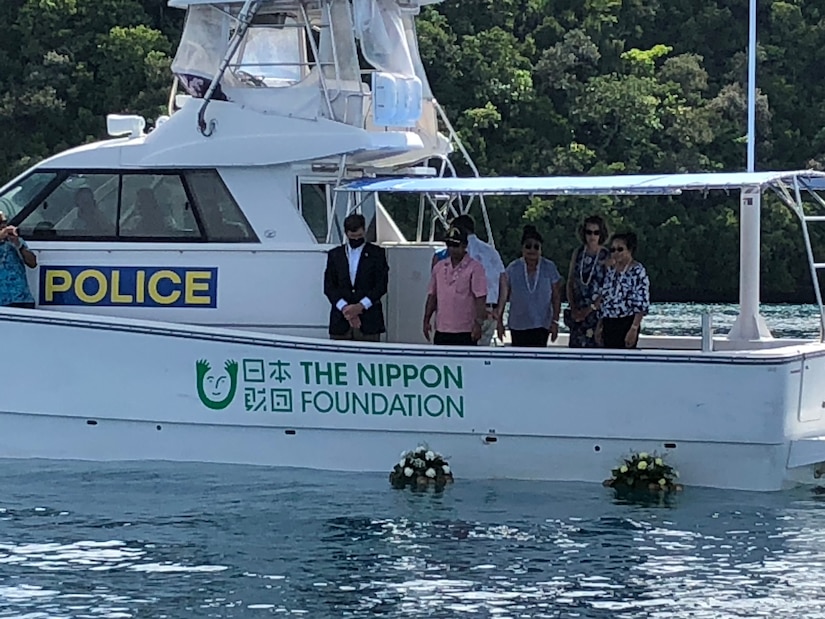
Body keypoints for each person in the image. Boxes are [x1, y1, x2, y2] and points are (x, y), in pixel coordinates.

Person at [431, 214, 505, 346]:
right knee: (480, 358)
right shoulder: (491, 251)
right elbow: (504, 282)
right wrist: (499, 311)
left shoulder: (449, 253)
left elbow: (436, 289)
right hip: (491, 310)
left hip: (467, 315)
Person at [323, 213, 389, 342]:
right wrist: (346, 310)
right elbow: (329, 286)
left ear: (364, 231)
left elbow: (381, 285)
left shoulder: (377, 254)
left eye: (359, 236)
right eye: (353, 237)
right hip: (341, 321)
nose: (356, 239)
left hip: (369, 321)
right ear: (346, 233)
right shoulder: (335, 255)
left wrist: (361, 306)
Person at [496, 225, 562, 347]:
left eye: (536, 246)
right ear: (522, 248)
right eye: (528, 246)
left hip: (542, 324)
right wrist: (499, 322)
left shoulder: (549, 268)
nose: (532, 250)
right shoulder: (512, 268)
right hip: (518, 325)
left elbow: (556, 297)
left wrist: (555, 322)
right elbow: (503, 297)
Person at [423, 226, 487, 346]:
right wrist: (426, 319)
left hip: (466, 331)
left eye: (456, 245)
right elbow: (432, 295)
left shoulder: (475, 268)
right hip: (442, 330)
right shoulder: (439, 267)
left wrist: (478, 324)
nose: (452, 248)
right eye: (449, 244)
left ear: (464, 246)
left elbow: (480, 298)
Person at [594, 232, 650, 349]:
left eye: (620, 249)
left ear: (630, 250)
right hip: (609, 322)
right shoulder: (611, 271)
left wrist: (634, 328)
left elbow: (641, 303)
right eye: (613, 250)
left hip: (627, 322)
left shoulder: (638, 271)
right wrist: (600, 326)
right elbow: (605, 299)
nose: (616, 253)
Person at [565, 215, 610, 348]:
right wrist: (573, 308)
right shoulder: (578, 253)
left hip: (596, 314)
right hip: (577, 313)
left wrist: (590, 309)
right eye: (588, 232)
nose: (592, 236)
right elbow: (570, 282)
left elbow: (608, 289)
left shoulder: (606, 256)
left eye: (596, 232)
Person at [0, 212, 37, 308]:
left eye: (4, 222)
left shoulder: (16, 240)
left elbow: (32, 263)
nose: (3, 226)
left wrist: (18, 244)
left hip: (22, 298)